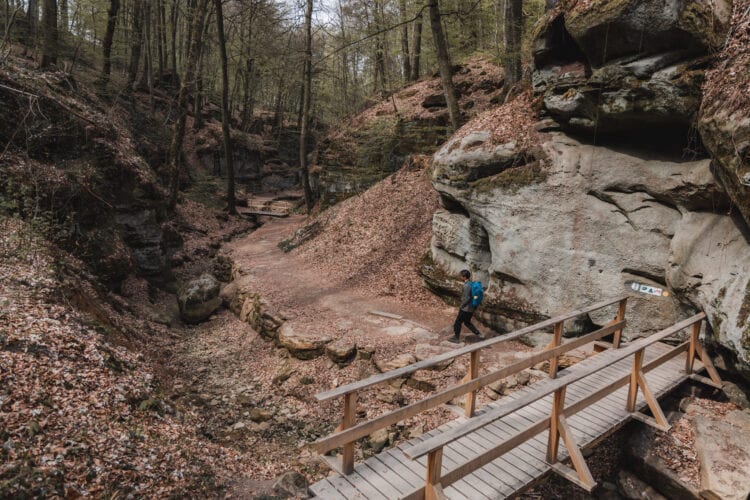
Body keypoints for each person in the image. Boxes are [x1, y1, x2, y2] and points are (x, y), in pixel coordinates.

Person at [449, 269, 484, 343]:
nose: (460, 277)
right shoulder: (471, 284)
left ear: (464, 277)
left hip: (465, 309)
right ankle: (478, 334)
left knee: (457, 322)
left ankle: (456, 338)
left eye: (461, 276)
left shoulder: (466, 286)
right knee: (467, 322)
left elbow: (466, 298)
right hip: (472, 308)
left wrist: (461, 306)